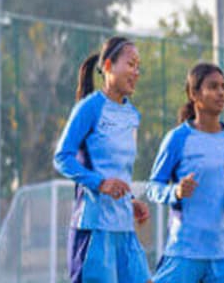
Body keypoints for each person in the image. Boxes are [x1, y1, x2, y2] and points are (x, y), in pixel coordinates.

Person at [53, 36, 150, 283]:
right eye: (130, 64)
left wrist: (130, 200)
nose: (136, 72)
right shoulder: (89, 107)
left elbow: (118, 169)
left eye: (138, 66)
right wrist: (100, 183)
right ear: (108, 66)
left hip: (124, 228)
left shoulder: (133, 115)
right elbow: (62, 157)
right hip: (94, 228)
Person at [146, 62, 224, 283]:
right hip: (184, 251)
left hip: (223, 253)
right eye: (213, 87)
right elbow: (153, 187)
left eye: (223, 86)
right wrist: (176, 192)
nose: (221, 93)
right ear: (194, 94)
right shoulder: (177, 139)